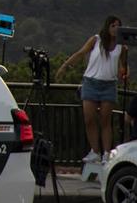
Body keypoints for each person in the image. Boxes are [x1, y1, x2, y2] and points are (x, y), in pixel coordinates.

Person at [56, 15, 128, 166]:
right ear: (107, 27)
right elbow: (80, 53)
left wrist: (124, 72)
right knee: (89, 118)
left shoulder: (121, 47)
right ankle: (95, 151)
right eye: (113, 26)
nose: (115, 29)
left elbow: (123, 66)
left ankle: (106, 153)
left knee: (105, 120)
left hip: (108, 84)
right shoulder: (96, 40)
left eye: (118, 26)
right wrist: (65, 66)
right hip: (91, 82)